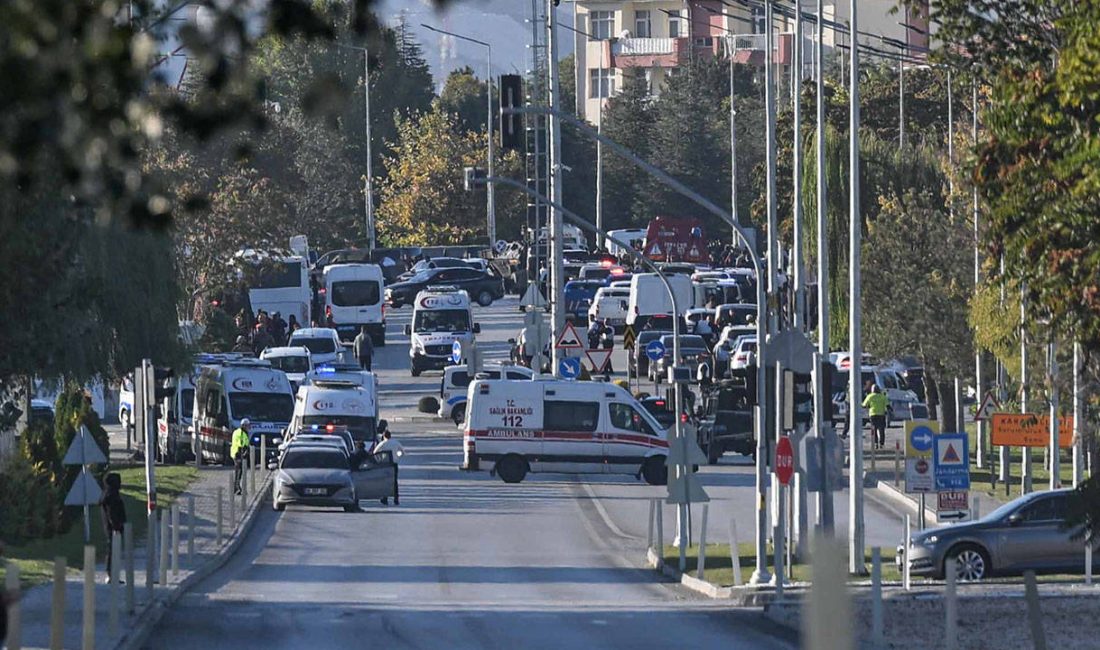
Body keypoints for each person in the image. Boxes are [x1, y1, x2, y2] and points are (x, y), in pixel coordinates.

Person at [99, 472, 127, 583]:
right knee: (112, 550)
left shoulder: (108, 494)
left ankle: (113, 574)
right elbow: (112, 513)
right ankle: (110, 575)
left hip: (113, 527)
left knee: (114, 550)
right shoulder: (111, 496)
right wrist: (116, 526)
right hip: (114, 527)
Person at [372, 430, 404, 506]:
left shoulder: (383, 443)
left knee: (385, 481)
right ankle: (396, 499)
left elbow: (374, 452)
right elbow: (402, 452)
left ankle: (384, 498)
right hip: (394, 464)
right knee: (394, 482)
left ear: (384, 436)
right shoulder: (396, 443)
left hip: (385, 464)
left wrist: (380, 458)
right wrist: (398, 456)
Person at [862, 385, 889, 449]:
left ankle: (875, 443)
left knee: (874, 430)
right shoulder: (883, 396)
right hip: (881, 415)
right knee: (881, 430)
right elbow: (888, 406)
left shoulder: (870, 396)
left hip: (873, 415)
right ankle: (882, 444)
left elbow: (864, 405)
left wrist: (868, 406)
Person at [231, 419, 251, 495]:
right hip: (238, 454)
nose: (249, 427)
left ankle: (236, 487)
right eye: (248, 425)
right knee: (239, 471)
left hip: (235, 453)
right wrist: (244, 453)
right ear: (244, 426)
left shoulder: (238, 432)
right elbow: (241, 445)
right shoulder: (241, 433)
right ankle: (236, 488)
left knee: (238, 471)